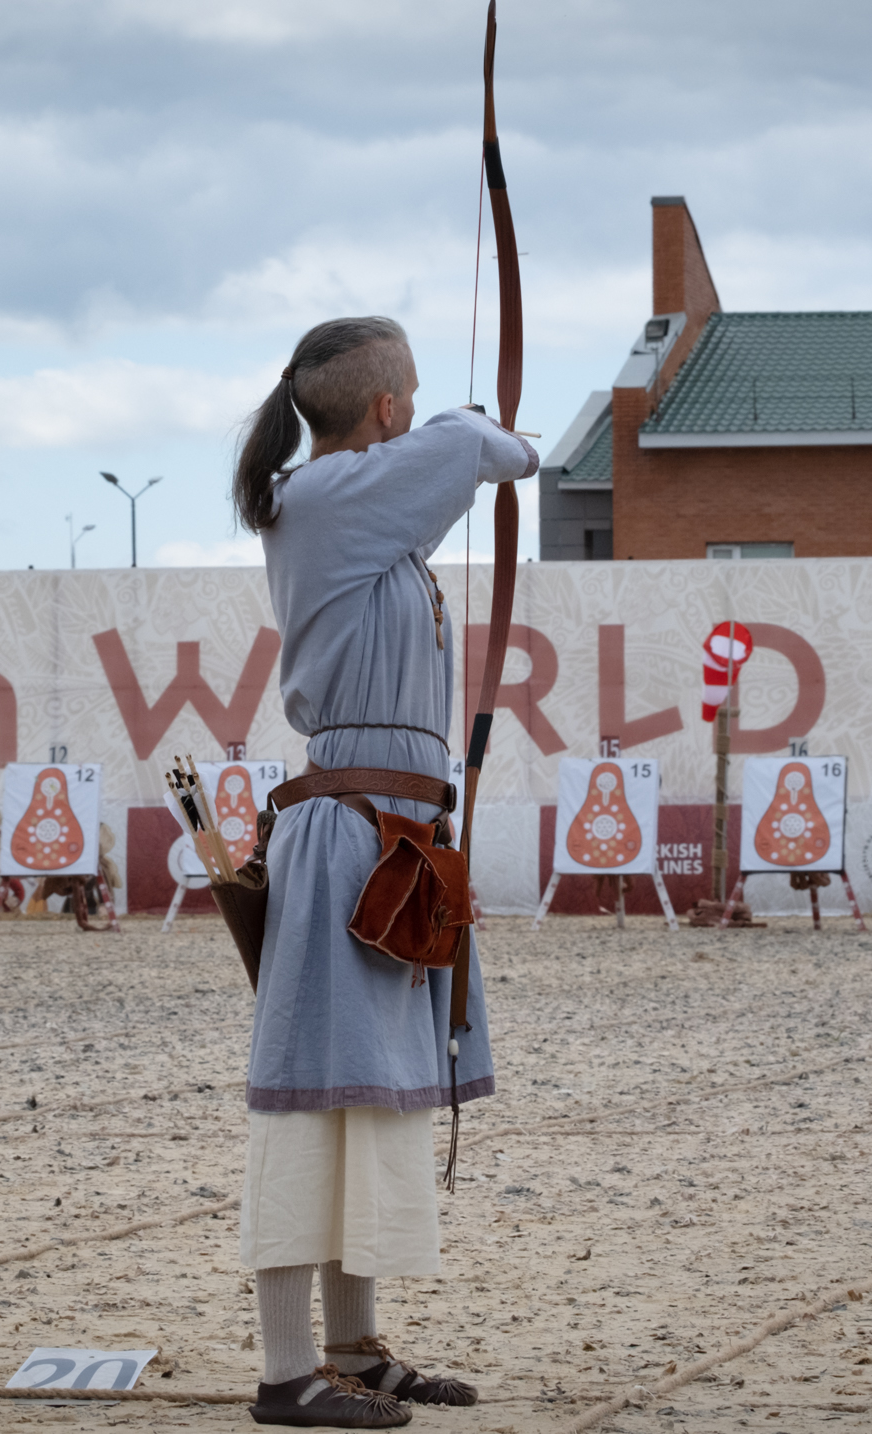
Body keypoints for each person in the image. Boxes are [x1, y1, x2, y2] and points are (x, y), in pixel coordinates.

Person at [228, 316, 537, 1427]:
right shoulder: (329, 499)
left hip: (393, 837)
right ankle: (282, 1373)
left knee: (364, 1095)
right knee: (312, 1097)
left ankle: (351, 1350)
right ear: (388, 410)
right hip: (351, 838)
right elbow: (478, 448)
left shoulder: (364, 517)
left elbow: (451, 446)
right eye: (410, 394)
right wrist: (504, 431)